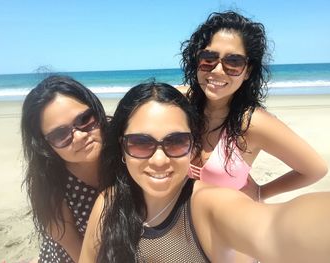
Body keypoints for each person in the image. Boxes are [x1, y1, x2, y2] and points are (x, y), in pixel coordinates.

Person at [79, 82, 330, 263]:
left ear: (193, 147)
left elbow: (276, 229)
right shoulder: (109, 203)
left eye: (175, 142)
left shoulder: (207, 206)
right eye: (140, 143)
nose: (158, 160)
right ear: (122, 148)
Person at [180, 11, 327, 200]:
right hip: (180, 225)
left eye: (233, 62)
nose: (217, 70)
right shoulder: (182, 105)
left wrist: (261, 192)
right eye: (208, 58)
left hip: (228, 227)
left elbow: (315, 170)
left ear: (247, 71)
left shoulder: (252, 123)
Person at [21, 75, 108, 262]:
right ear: (45, 145)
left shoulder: (124, 146)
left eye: (85, 119)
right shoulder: (50, 186)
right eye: (60, 134)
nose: (79, 137)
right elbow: (80, 255)